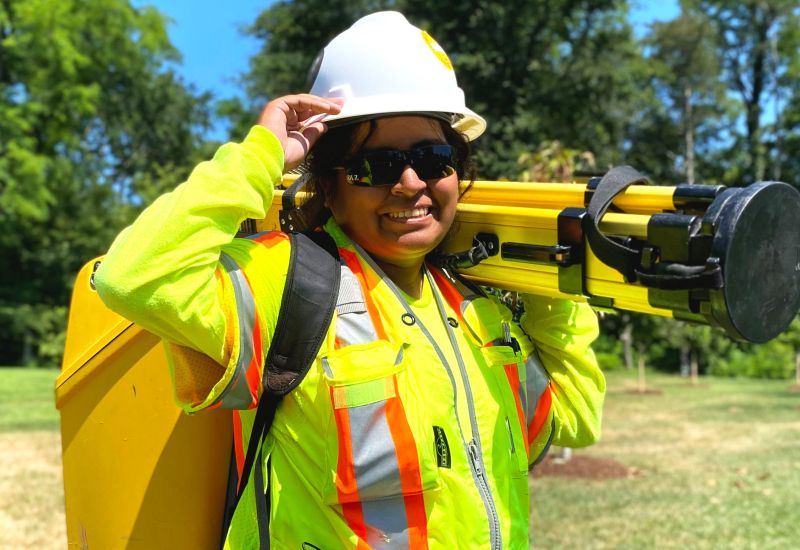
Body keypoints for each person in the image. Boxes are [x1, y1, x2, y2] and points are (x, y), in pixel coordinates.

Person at [95, 11, 605, 549]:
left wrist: (551, 284)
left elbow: (573, 418)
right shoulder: (286, 282)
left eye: (434, 158)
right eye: (376, 165)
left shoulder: (476, 310)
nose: (410, 183)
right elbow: (134, 277)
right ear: (328, 183)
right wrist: (263, 157)